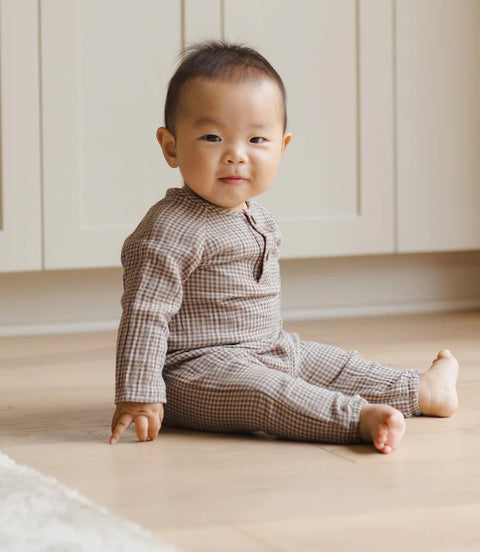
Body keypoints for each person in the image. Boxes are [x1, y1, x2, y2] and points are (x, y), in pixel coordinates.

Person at [110, 41, 458, 453]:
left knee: (333, 363)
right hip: (197, 371)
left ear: (282, 147)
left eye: (257, 139)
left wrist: (279, 351)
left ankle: (418, 390)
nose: (236, 155)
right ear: (171, 146)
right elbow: (144, 313)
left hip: (270, 346)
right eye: (212, 136)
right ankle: (355, 419)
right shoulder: (169, 228)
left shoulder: (258, 216)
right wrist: (139, 391)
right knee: (267, 394)